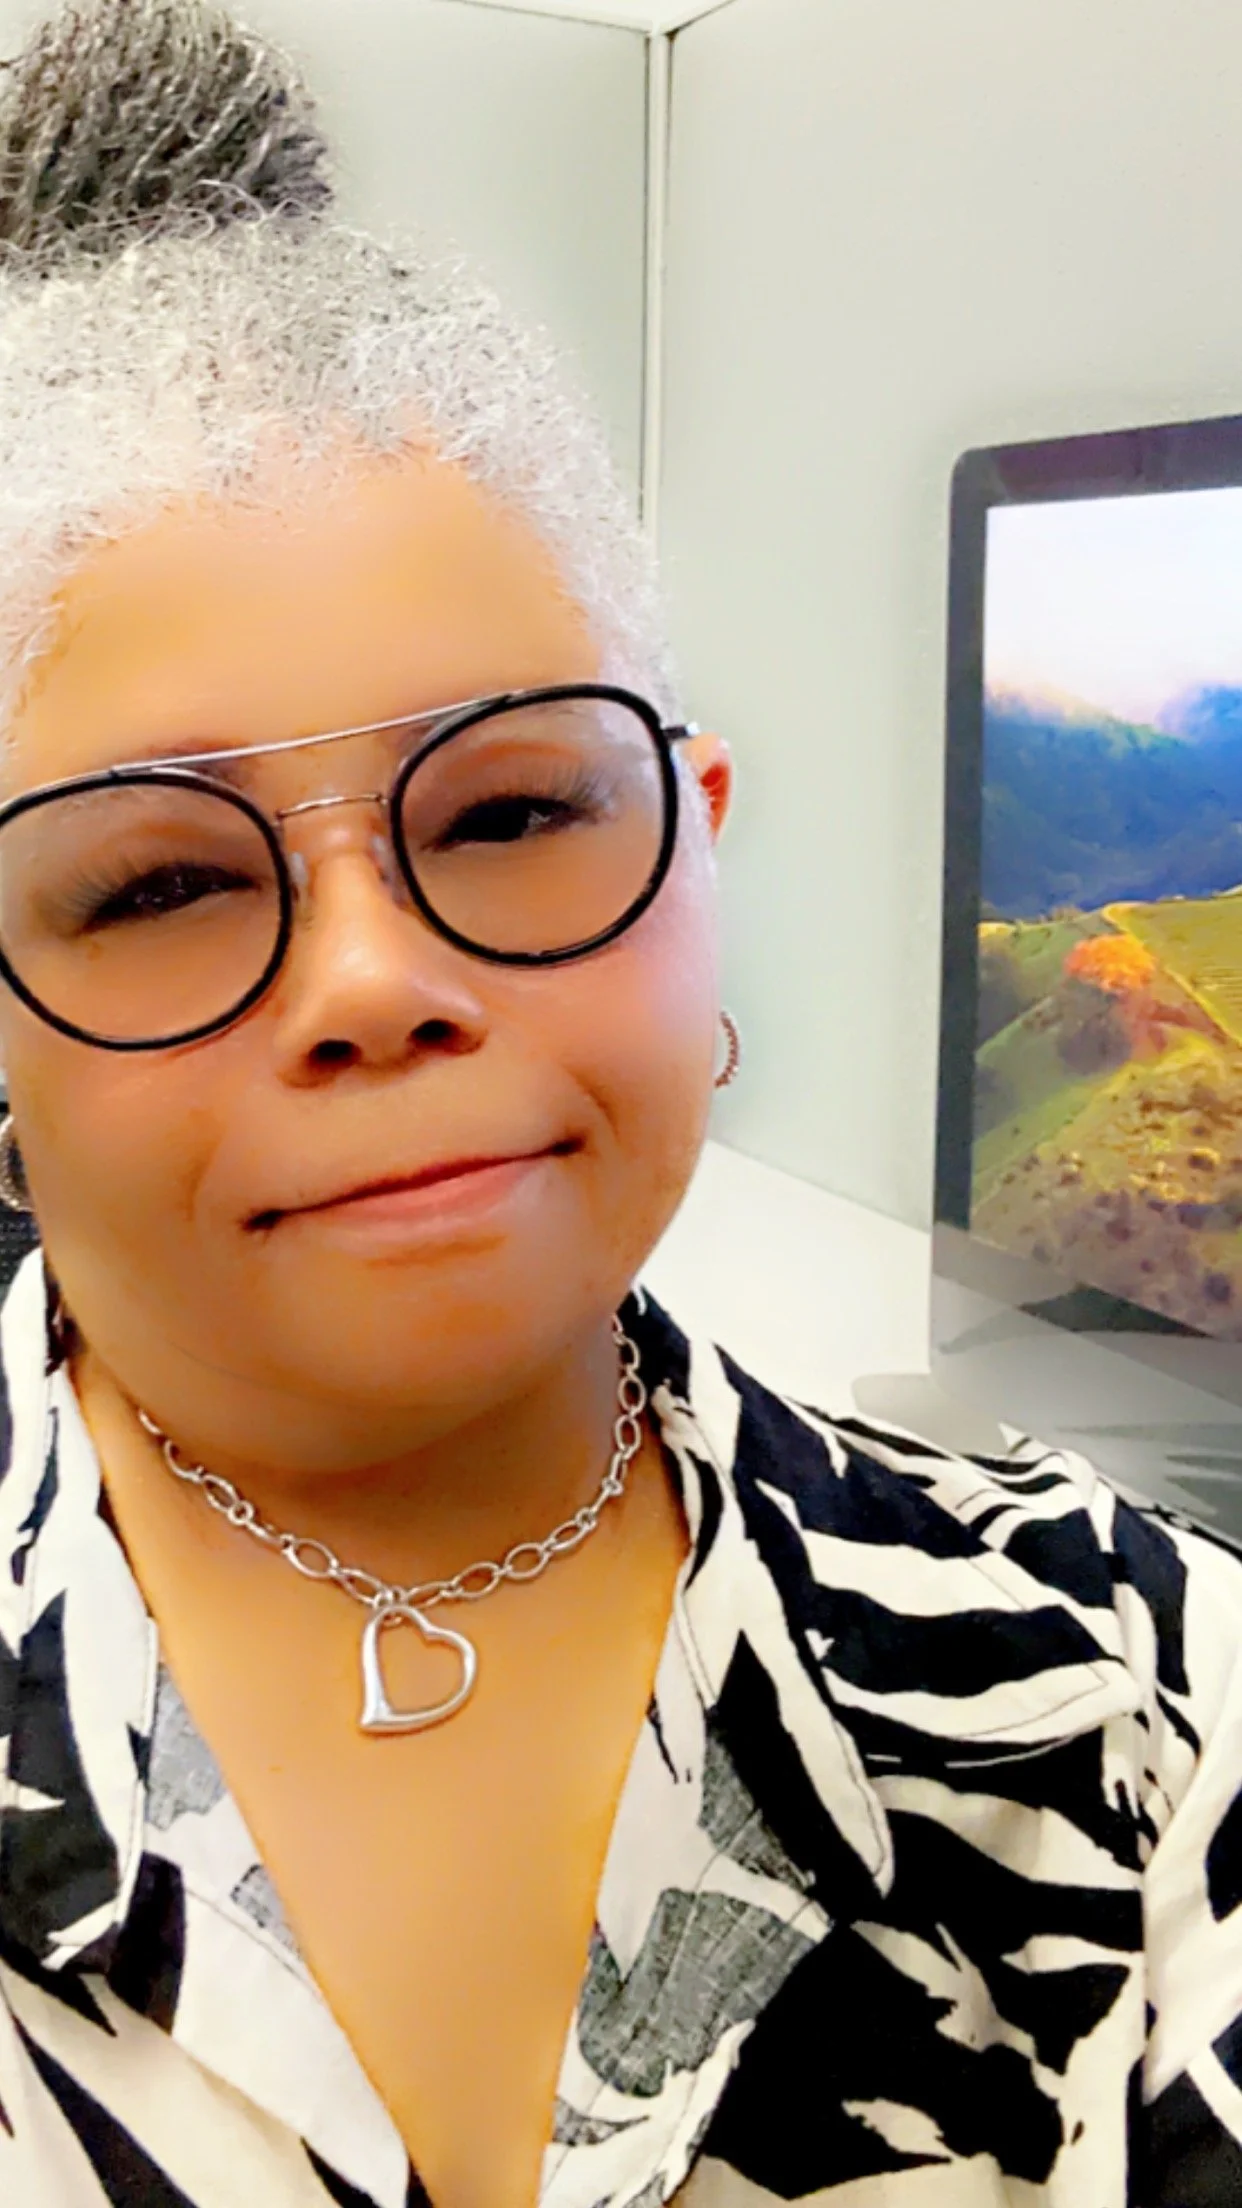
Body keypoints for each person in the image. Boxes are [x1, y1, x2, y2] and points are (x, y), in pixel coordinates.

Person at [0, 4, 1239, 2204]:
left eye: (510, 815)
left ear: (701, 845)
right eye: (164, 880)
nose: (376, 982)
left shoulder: (1131, 1706)